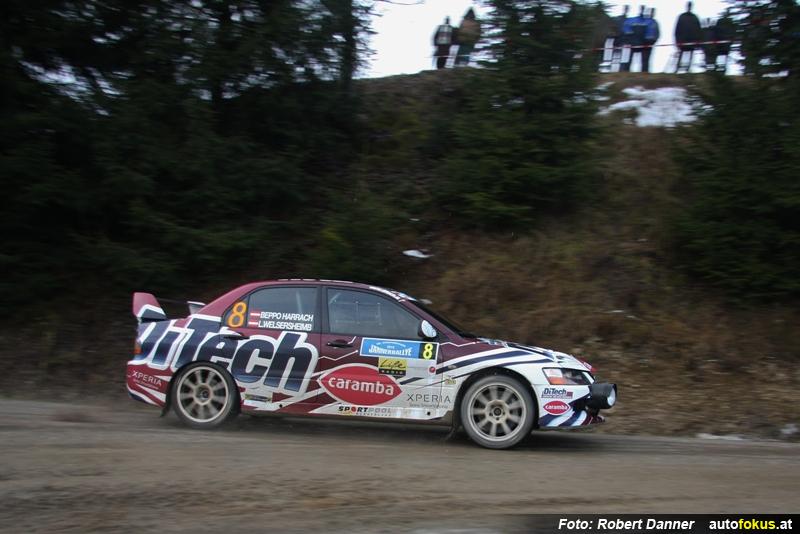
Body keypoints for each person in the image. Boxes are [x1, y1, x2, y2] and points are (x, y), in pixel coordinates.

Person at [674, 1, 703, 73]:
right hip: (683, 40)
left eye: (690, 6)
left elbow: (698, 30)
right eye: (688, 6)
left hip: (691, 40)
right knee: (681, 54)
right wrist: (677, 41)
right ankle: (678, 68)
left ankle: (688, 69)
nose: (689, 7)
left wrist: (698, 41)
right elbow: (677, 29)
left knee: (690, 55)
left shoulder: (694, 17)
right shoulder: (682, 16)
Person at [623, 6, 648, 71]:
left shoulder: (647, 21)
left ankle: (644, 71)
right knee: (628, 58)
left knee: (644, 59)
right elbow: (626, 30)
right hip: (634, 42)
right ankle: (626, 71)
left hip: (641, 42)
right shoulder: (631, 20)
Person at [642, 8, 660, 73]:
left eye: (653, 12)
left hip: (651, 42)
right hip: (644, 41)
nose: (652, 14)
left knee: (648, 57)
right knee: (644, 57)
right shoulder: (645, 21)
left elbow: (658, 33)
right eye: (652, 12)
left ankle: (646, 71)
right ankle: (643, 70)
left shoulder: (655, 22)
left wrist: (655, 40)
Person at [615, 5, 631, 71]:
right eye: (625, 8)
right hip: (617, 39)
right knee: (616, 56)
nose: (626, 10)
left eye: (627, 9)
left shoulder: (629, 20)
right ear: (623, 9)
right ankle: (615, 70)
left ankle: (621, 70)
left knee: (624, 57)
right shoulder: (617, 19)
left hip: (625, 40)